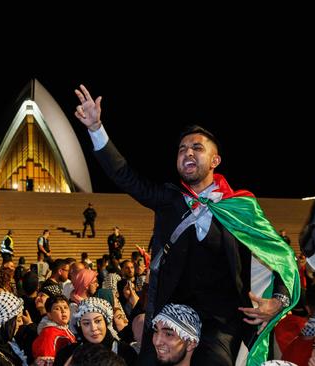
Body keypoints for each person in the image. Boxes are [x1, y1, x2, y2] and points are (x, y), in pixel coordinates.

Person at [73, 85, 298, 365]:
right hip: (169, 316)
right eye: (182, 149)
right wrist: (96, 128)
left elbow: (282, 256)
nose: (187, 152)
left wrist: (278, 301)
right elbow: (124, 175)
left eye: (197, 148)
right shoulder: (169, 199)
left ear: (215, 160)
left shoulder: (242, 208)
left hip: (220, 324)